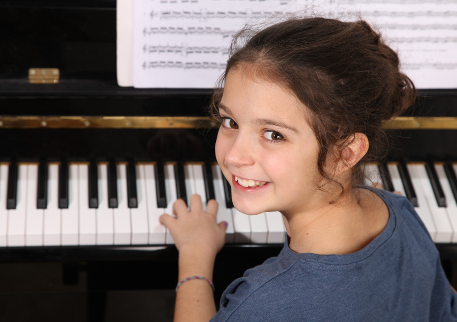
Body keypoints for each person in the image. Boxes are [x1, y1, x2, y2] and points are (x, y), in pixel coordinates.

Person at [159, 17, 457, 321]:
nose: (234, 156)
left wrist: (195, 259)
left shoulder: (261, 302)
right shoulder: (397, 208)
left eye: (274, 135)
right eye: (230, 122)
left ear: (346, 153)